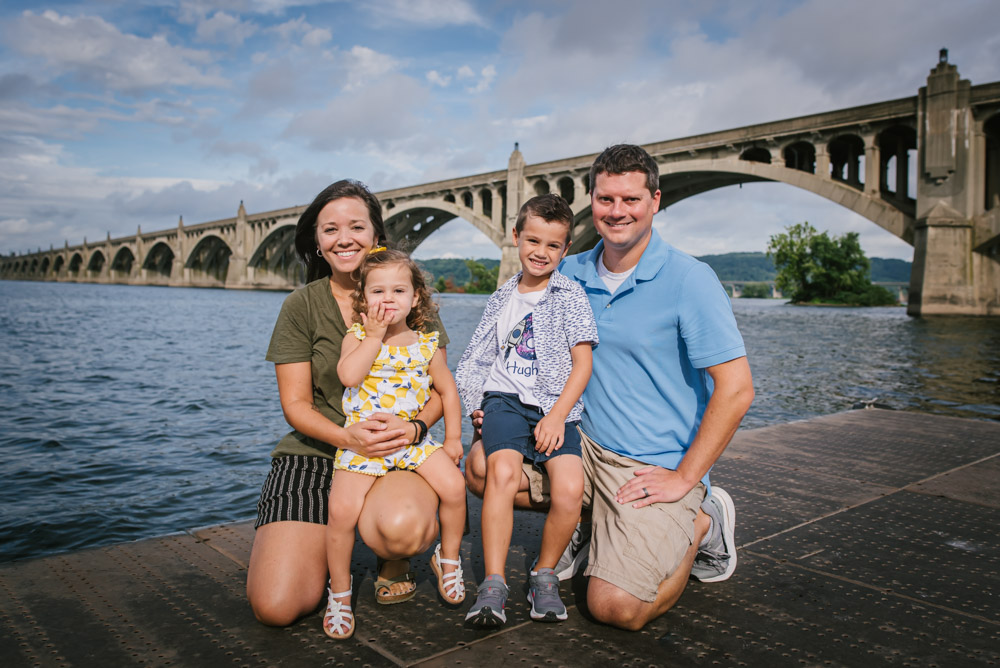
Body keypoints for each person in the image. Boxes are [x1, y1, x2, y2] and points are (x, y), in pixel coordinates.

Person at [465, 145, 754, 631]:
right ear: (591, 202)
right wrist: (490, 403)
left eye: (631, 199)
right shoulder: (565, 271)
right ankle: (592, 523)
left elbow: (737, 390)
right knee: (481, 465)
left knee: (615, 607)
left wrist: (686, 477)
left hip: (649, 464)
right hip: (579, 443)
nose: (617, 211)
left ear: (655, 200)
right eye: (605, 199)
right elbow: (514, 343)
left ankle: (704, 525)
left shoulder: (690, 280)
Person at [247, 180, 451, 627]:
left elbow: (441, 390)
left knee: (401, 531)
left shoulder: (409, 298)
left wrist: (414, 429)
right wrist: (347, 438)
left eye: (356, 227)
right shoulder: (301, 305)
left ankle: (390, 552)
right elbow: (296, 404)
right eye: (330, 229)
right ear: (317, 243)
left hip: (393, 448)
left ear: (376, 235)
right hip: (317, 451)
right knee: (276, 606)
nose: (344, 238)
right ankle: (324, 550)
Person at [455, 194, 598, 627]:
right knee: (501, 473)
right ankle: (493, 583)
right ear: (516, 236)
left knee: (569, 488)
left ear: (565, 249)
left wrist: (557, 416)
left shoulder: (570, 296)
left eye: (553, 245)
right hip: (504, 400)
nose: (541, 252)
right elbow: (477, 358)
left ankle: (544, 573)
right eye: (533, 240)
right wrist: (476, 405)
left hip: (554, 408)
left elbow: (583, 364)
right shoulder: (501, 297)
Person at [323, 248, 467, 639]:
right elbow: (349, 376)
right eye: (378, 291)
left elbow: (448, 392)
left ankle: (448, 558)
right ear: (363, 300)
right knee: (340, 511)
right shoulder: (356, 338)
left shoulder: (426, 344)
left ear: (415, 298)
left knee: (455, 488)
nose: (388, 299)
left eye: (398, 291)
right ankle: (340, 592)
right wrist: (373, 337)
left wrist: (454, 438)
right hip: (365, 445)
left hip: (411, 442)